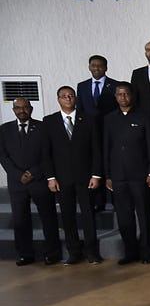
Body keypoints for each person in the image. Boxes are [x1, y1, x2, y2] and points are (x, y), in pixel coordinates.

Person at [42, 86, 102, 264]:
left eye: (71, 96)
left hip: (86, 178)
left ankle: (92, 252)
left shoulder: (89, 119)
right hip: (61, 179)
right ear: (58, 99)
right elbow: (46, 153)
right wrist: (50, 177)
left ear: (75, 98)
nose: (68, 98)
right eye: (63, 96)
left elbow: (96, 150)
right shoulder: (49, 121)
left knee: (88, 215)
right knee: (67, 216)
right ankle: (74, 252)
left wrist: (96, 175)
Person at [102, 83, 150, 264]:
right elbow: (106, 149)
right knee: (124, 217)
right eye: (119, 94)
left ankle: (147, 252)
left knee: (143, 215)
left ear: (132, 96)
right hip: (118, 177)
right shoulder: (109, 119)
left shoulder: (144, 117)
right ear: (115, 97)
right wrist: (108, 175)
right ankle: (130, 252)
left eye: (126, 94)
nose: (123, 97)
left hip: (140, 175)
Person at [0, 98, 60, 265]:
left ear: (31, 108)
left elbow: (48, 154)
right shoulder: (4, 130)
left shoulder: (42, 128)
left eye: (25, 107)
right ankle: (25, 254)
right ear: (13, 110)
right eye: (18, 108)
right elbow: (3, 156)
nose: (22, 110)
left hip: (39, 180)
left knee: (48, 218)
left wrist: (33, 172)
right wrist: (18, 174)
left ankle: (52, 254)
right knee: (20, 220)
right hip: (17, 182)